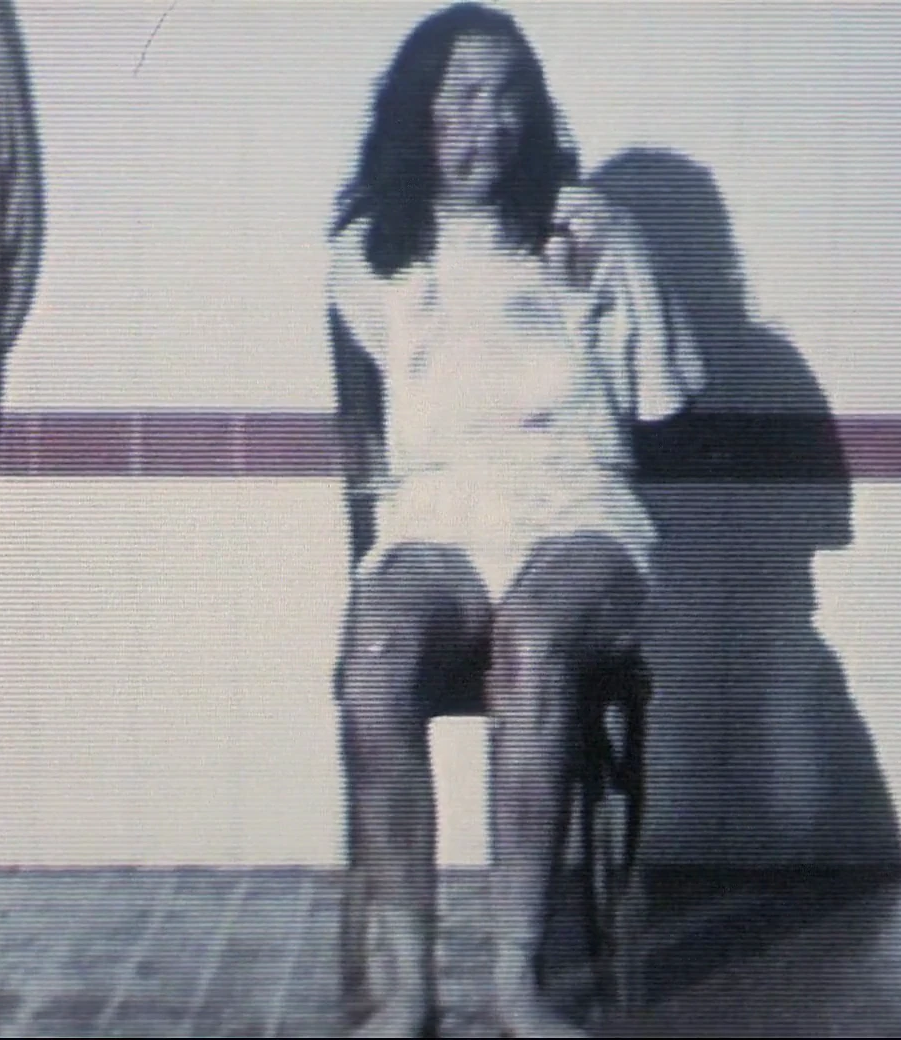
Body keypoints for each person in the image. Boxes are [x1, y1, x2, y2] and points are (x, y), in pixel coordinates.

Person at [325, 4, 703, 1035]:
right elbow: (387, 425)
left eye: (507, 97)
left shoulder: (591, 226)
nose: (487, 121)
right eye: (461, 97)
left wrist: (584, 306)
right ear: (416, 113)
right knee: (374, 655)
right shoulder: (367, 255)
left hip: (580, 506)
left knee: (533, 641)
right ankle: (408, 987)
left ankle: (516, 981)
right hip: (440, 511)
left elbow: (666, 411)